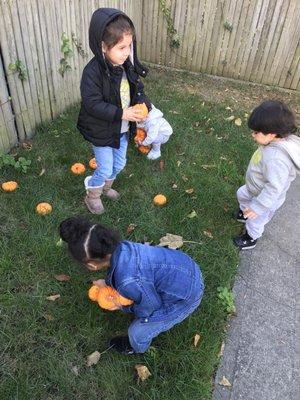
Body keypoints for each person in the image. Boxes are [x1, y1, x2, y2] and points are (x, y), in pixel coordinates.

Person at [59, 217, 204, 354]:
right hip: (188, 267)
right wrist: (108, 283)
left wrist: (123, 306)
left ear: (91, 265)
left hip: (186, 297)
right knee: (142, 288)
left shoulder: (127, 281)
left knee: (137, 332)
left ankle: (136, 348)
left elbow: (150, 305)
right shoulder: (124, 247)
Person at [77, 8, 149, 214]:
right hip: (101, 130)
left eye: (129, 46)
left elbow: (138, 88)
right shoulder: (92, 73)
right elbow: (92, 103)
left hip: (122, 129)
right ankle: (93, 195)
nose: (127, 52)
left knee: (119, 164)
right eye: (121, 47)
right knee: (106, 167)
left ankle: (105, 187)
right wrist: (122, 113)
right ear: (103, 47)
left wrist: (144, 104)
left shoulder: (126, 66)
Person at [233, 100, 300, 250]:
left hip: (265, 200)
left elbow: (274, 189)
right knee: (241, 194)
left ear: (271, 134)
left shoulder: (276, 159)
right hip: (255, 188)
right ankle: (246, 212)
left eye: (256, 132)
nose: (253, 134)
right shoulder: (271, 141)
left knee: (255, 221)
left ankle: (251, 238)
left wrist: (258, 207)